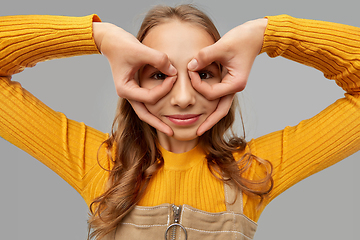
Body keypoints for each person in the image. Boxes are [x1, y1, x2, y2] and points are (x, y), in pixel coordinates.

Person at [0, 4, 359, 240]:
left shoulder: (253, 171)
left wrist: (268, 34)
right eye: (157, 74)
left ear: (228, 79)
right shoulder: (100, 164)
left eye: (204, 72)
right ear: (132, 80)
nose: (184, 97)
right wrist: (98, 37)